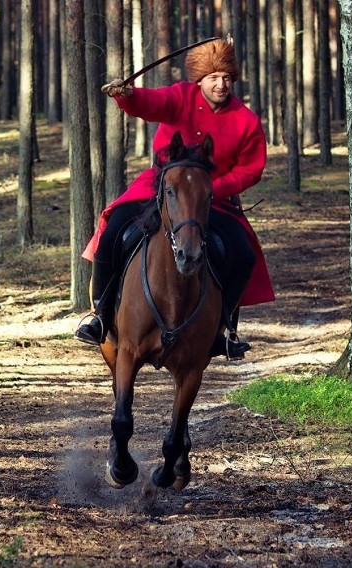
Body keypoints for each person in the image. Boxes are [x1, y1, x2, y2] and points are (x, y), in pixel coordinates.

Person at [74, 38, 274, 360]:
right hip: (158, 189)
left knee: (242, 254)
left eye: (226, 78)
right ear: (200, 81)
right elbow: (151, 103)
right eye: (213, 78)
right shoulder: (181, 96)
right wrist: (129, 95)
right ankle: (100, 315)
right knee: (113, 232)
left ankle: (221, 331)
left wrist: (209, 191)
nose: (220, 84)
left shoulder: (246, 120)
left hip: (213, 201)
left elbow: (251, 170)